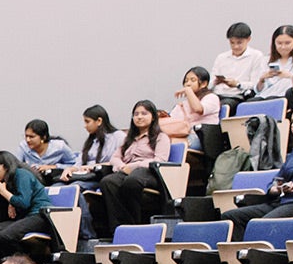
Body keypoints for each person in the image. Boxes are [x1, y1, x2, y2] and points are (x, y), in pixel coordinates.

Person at [87, 99, 169, 238]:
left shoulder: (160, 137)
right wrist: (121, 166)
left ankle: (135, 226)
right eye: (136, 114)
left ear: (153, 117)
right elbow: (115, 157)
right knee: (108, 182)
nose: (139, 117)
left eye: (144, 113)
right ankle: (118, 228)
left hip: (149, 172)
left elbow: (160, 160)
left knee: (132, 181)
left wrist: (134, 166)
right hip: (126, 171)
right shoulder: (129, 138)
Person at [161, 66, 221, 145]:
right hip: (183, 134)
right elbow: (173, 121)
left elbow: (198, 109)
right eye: (186, 81)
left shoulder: (212, 98)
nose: (188, 84)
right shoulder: (184, 103)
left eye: (193, 80)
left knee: (165, 144)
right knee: (160, 141)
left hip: (202, 137)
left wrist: (188, 90)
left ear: (204, 84)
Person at [210, 22, 267, 99]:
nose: (235, 46)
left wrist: (238, 84)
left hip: (238, 95)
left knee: (226, 104)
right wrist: (215, 82)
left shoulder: (256, 56)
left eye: (239, 43)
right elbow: (211, 80)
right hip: (218, 94)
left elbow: (255, 84)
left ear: (248, 39)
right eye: (232, 43)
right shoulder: (221, 57)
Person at [64, 105, 118, 180]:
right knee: (59, 184)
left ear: (99, 121)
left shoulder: (117, 136)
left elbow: (119, 161)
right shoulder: (91, 141)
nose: (85, 126)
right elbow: (78, 164)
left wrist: (93, 166)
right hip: (84, 176)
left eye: (87, 122)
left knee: (77, 185)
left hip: (101, 177)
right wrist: (69, 169)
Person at [255, 25, 293, 102]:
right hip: (264, 96)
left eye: (287, 43)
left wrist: (290, 76)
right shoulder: (265, 60)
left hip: (285, 98)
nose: (283, 47)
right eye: (279, 43)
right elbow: (258, 90)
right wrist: (262, 79)